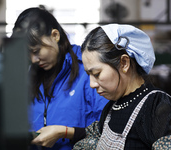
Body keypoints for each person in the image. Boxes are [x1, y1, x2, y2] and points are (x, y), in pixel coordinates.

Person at [32, 24, 171, 149]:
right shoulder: (112, 107)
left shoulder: (157, 106)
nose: (92, 84)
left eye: (97, 74)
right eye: (89, 75)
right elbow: (92, 134)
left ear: (124, 63)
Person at [11, 7, 109, 150]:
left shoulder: (88, 71)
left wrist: (64, 133)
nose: (33, 60)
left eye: (36, 51)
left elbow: (109, 131)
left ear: (55, 35)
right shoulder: (30, 75)